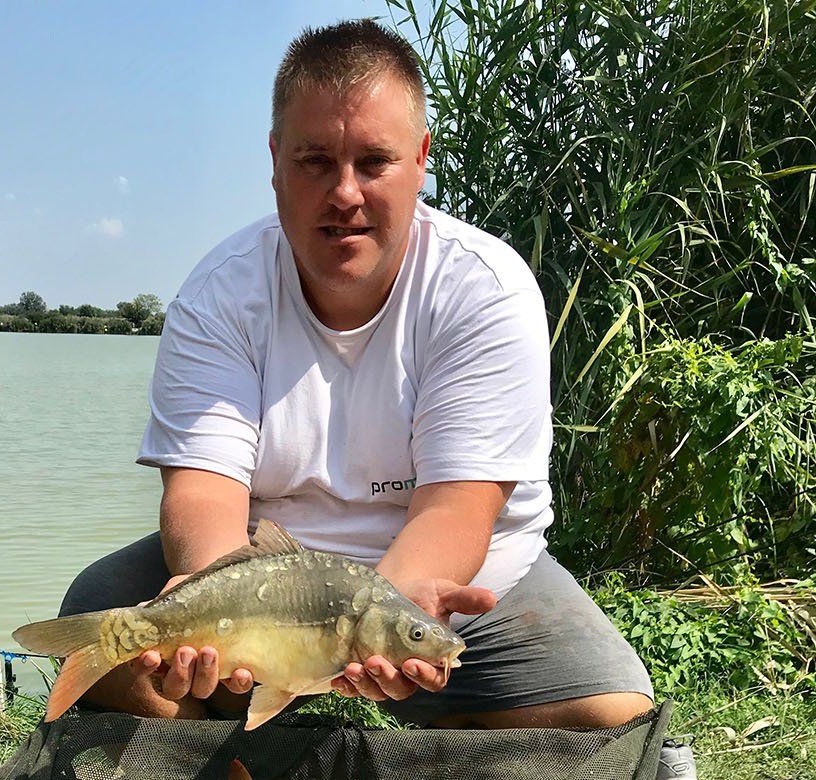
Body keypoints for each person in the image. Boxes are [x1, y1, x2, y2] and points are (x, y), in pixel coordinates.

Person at [59, 19, 653, 729]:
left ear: (422, 159)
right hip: (265, 578)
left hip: (449, 583)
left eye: (374, 161)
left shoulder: (484, 289)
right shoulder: (220, 294)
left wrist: (384, 632)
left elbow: (456, 509)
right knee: (100, 625)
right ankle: (246, 735)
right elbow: (203, 491)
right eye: (315, 161)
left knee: (611, 713)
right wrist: (217, 599)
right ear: (275, 159)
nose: (344, 194)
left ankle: (408, 727)